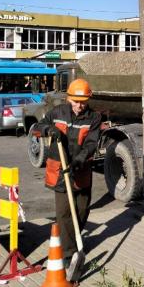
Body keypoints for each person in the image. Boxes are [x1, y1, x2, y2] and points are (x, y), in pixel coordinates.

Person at [35, 78, 101, 267]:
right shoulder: (57, 112)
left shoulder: (94, 118)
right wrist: (49, 129)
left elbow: (91, 142)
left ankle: (73, 241)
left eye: (83, 102)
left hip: (81, 170)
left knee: (81, 210)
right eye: (75, 101)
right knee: (64, 213)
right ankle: (68, 253)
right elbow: (37, 127)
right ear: (68, 99)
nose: (79, 105)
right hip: (60, 171)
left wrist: (81, 158)